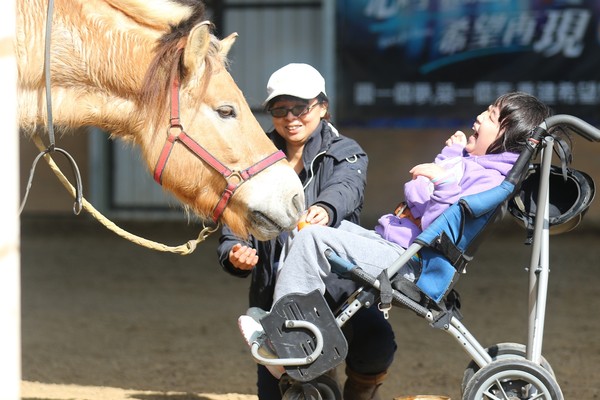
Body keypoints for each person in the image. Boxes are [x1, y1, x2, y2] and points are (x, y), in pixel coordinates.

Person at [238, 91, 559, 376]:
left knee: (311, 238)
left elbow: (437, 220)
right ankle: (300, 330)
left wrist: (440, 182)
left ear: (508, 136)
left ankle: (282, 339)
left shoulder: (488, 179)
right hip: (397, 245)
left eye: (490, 116)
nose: (478, 117)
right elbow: (421, 194)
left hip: (411, 262)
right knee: (314, 228)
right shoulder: (474, 166)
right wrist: (447, 163)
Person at [217, 63, 395, 400]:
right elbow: (235, 218)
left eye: (301, 107)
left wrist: (326, 209)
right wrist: (234, 251)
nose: (291, 117)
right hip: (274, 296)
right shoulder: (253, 160)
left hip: (342, 292)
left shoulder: (346, 151)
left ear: (322, 107)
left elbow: (347, 188)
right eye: (280, 109)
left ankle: (359, 391)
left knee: (377, 343)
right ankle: (304, 370)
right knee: (281, 390)